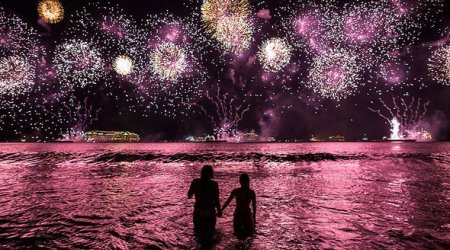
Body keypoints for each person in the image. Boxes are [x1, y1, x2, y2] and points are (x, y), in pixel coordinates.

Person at [188, 165, 222, 239]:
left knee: (198, 233)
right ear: (211, 173)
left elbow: (189, 195)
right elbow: (216, 199)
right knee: (210, 233)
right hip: (210, 211)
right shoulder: (214, 184)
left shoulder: (195, 182)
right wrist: (219, 211)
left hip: (198, 211)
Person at [221, 173, 256, 238]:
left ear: (240, 181)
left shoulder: (236, 191)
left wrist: (221, 210)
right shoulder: (251, 192)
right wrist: (254, 219)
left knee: (237, 234)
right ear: (248, 181)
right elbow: (254, 207)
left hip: (238, 214)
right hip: (247, 214)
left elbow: (228, 202)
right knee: (249, 235)